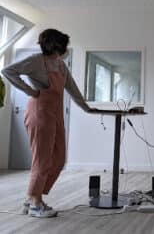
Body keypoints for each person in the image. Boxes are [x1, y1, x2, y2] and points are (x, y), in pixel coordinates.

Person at [1, 28, 95, 218]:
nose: (66, 49)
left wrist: (87, 108)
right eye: (64, 45)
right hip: (40, 111)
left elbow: (72, 88)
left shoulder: (60, 65)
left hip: (56, 114)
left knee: (59, 158)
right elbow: (7, 71)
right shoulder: (36, 61)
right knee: (42, 159)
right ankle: (35, 202)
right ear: (56, 45)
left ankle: (32, 197)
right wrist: (30, 91)